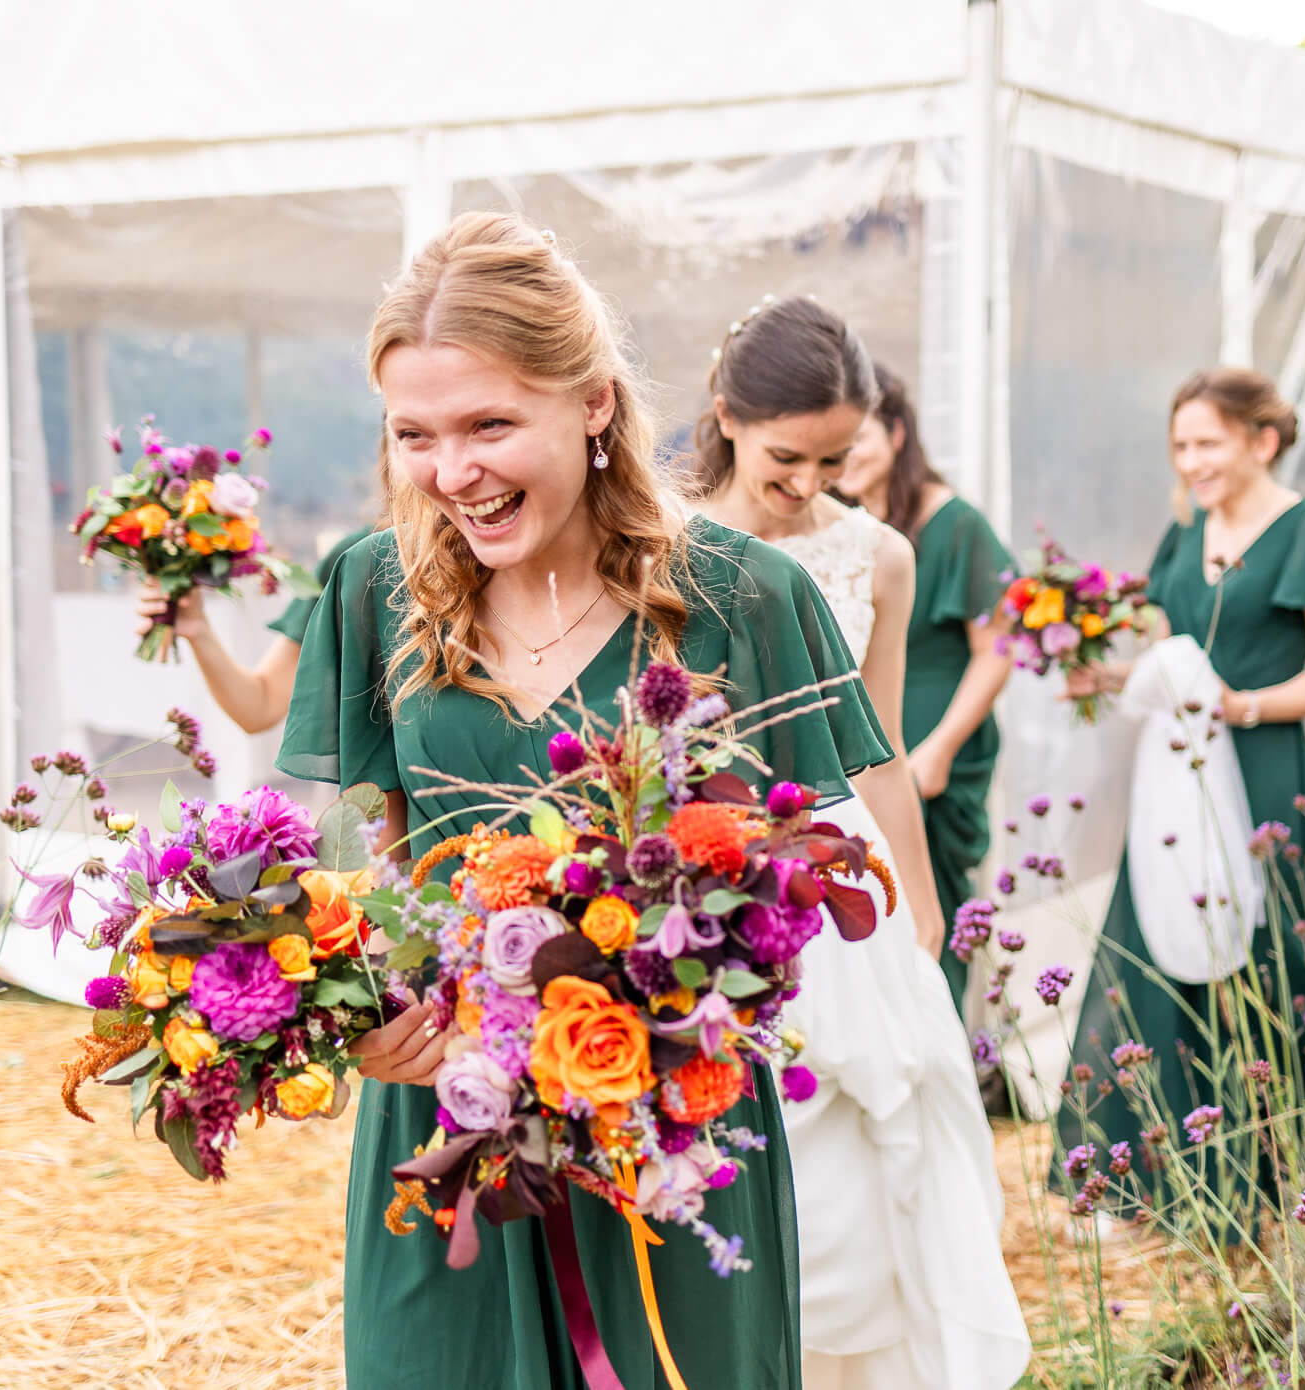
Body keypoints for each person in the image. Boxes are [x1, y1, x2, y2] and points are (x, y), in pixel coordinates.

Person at [277, 214, 897, 1390]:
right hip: (445, 1128)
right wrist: (358, 1009)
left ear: (597, 403)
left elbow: (803, 888)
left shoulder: (743, 597)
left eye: (490, 425)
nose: (450, 473)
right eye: (415, 434)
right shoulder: (371, 588)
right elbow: (363, 860)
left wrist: (673, 980)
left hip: (661, 1125)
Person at [692, 296, 1029, 1390]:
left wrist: (917, 902)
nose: (807, 485)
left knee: (854, 1166)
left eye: (835, 461)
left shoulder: (879, 554)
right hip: (690, 865)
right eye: (789, 457)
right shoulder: (654, 537)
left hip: (834, 883)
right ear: (726, 413)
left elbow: (876, 750)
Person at [1058, 366, 1305, 1228]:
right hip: (1175, 776)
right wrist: (1097, 671)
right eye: (1179, 445)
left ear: (1263, 440)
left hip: (1264, 773)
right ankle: (1173, 1178)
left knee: (1286, 952)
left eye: (1206, 442)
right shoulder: (1184, 533)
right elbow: (1171, 653)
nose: (1191, 461)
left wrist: (1239, 706)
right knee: (1154, 949)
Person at [835, 364, 1015, 1015]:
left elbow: (997, 650)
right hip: (863, 750)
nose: (845, 457)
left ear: (897, 433)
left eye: (859, 439)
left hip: (934, 752)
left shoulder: (955, 523)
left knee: (931, 903)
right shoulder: (839, 528)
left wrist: (935, 752)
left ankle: (945, 1050)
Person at [133, 439, 387, 733]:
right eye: (411, 435)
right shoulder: (358, 559)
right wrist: (196, 627)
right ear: (387, 452)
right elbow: (259, 706)